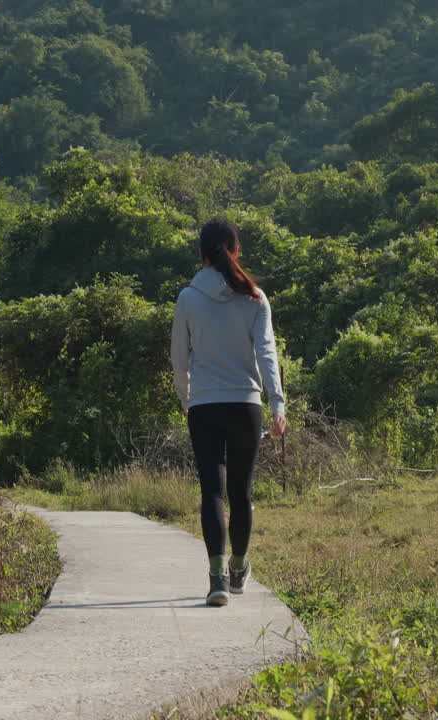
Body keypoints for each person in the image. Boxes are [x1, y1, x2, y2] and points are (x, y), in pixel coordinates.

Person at [170, 218, 287, 607]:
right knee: (241, 491)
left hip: (204, 404)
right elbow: (266, 353)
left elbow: (178, 358)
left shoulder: (188, 297)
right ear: (235, 251)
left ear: (202, 254)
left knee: (212, 492)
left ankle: (217, 578)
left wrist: (186, 398)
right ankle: (239, 566)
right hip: (245, 405)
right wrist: (277, 403)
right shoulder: (254, 297)